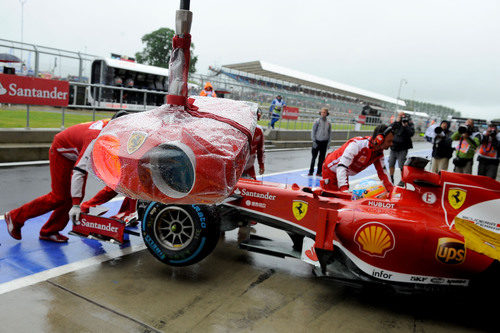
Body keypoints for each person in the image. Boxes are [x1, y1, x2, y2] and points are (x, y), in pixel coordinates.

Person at [4, 119, 111, 242]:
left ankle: (49, 231)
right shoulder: (96, 138)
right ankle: (15, 217)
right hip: (62, 150)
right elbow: (80, 170)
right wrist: (76, 205)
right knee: (59, 197)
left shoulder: (111, 127)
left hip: (75, 150)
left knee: (73, 196)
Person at [321, 124, 394, 193]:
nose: (391, 144)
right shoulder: (357, 144)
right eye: (389, 141)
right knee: (334, 200)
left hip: (343, 172)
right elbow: (341, 167)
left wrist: (392, 190)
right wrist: (344, 189)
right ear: (379, 139)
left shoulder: (379, 153)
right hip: (330, 170)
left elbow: (383, 173)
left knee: (343, 198)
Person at [388, 111, 415, 184]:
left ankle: (403, 180)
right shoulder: (396, 123)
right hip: (394, 147)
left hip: (403, 148)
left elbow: (411, 133)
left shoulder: (409, 123)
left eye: (403, 116)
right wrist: (396, 121)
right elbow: (390, 128)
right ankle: (391, 178)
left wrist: (406, 126)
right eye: (400, 116)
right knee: (391, 163)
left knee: (401, 165)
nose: (402, 118)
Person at [241, 109, 265, 179]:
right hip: (236, 168)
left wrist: (261, 165)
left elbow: (261, 150)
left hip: (249, 167)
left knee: (252, 187)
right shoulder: (240, 128)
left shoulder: (259, 131)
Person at [308, 108, 331, 176]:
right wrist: (314, 141)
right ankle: (311, 171)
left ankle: (319, 172)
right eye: (322, 112)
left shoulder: (329, 122)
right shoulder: (317, 121)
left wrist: (329, 143)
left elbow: (330, 133)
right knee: (314, 158)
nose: (323, 113)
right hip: (317, 141)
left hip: (324, 142)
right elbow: (313, 131)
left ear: (327, 113)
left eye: (324, 112)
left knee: (321, 159)